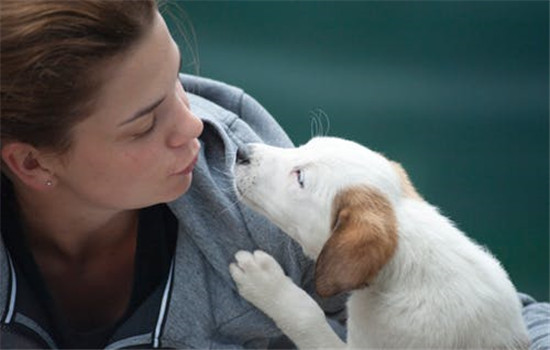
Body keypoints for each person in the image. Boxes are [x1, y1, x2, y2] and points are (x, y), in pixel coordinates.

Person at [0, 1, 547, 349]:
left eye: (176, 81)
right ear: (30, 162)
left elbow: (504, 324)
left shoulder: (251, 213)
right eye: (145, 123)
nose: (193, 124)